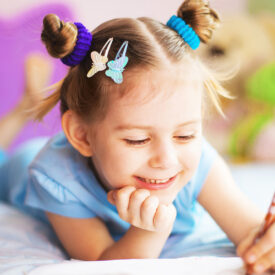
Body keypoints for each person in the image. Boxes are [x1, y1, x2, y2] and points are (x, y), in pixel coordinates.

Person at [0, 0, 274, 273]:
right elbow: (101, 262)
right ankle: (24, 108)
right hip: (22, 166)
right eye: (137, 140)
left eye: (185, 134)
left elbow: (251, 230)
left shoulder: (197, 159)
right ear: (81, 135)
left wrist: (267, 242)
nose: (166, 160)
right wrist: (150, 231)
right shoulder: (56, 174)